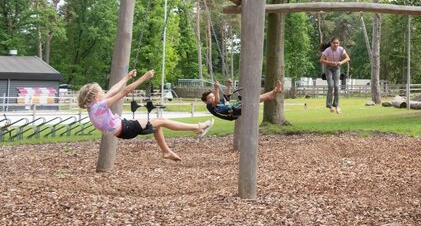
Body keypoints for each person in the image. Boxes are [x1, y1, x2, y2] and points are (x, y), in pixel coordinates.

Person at [78, 69, 214, 162]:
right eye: (101, 92)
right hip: (126, 128)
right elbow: (124, 91)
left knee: (157, 125)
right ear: (96, 96)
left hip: (123, 130)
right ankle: (198, 127)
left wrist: (127, 77)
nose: (104, 93)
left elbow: (113, 89)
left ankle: (166, 151)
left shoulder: (92, 108)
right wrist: (145, 77)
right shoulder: (100, 106)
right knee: (162, 121)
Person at [201, 78, 284, 120]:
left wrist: (229, 85)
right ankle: (273, 92)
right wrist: (216, 89)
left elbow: (227, 98)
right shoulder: (209, 106)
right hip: (232, 112)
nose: (212, 98)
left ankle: (274, 92)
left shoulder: (218, 102)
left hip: (234, 109)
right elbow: (216, 101)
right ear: (206, 101)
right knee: (253, 99)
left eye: (212, 96)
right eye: (210, 98)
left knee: (255, 98)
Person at [320, 37, 350, 114]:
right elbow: (321, 60)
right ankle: (329, 105)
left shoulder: (341, 49)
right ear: (331, 43)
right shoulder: (327, 50)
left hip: (337, 68)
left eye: (337, 43)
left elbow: (347, 58)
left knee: (336, 86)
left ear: (339, 44)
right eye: (334, 43)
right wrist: (329, 62)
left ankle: (336, 105)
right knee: (330, 85)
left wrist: (340, 63)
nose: (336, 44)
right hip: (328, 68)